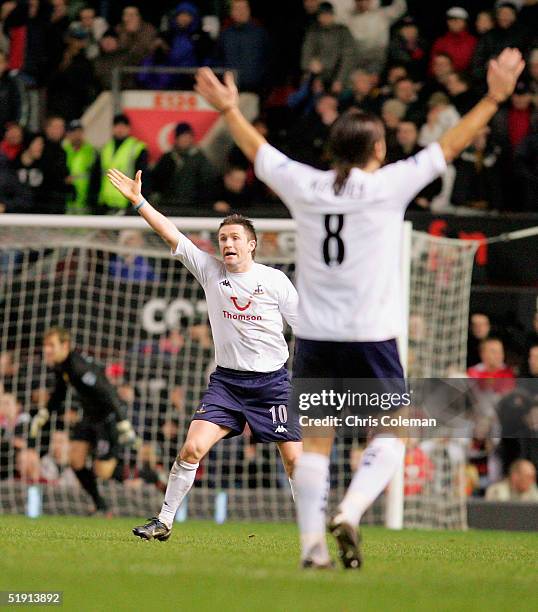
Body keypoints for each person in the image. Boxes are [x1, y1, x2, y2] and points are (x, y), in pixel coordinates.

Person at [193, 47, 525, 568]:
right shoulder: (387, 186)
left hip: (318, 338)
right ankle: (349, 510)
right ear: (375, 147)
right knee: (394, 430)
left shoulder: (307, 186)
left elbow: (259, 152)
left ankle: (311, 549)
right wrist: (493, 97)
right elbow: (448, 148)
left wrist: (229, 110)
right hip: (372, 334)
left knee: (317, 444)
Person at [105, 171, 302, 542]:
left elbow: (305, 328)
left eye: (234, 238)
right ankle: (163, 521)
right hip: (228, 383)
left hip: (273, 384)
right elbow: (171, 234)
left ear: (252, 245)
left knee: (294, 461)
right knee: (192, 447)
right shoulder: (210, 271)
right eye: (222, 238)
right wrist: (139, 202)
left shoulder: (275, 281)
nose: (227, 243)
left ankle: (313, 528)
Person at [30, 327, 138, 514]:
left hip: (108, 418)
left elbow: (107, 391)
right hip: (89, 417)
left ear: (65, 345)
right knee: (75, 460)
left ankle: (149, 475)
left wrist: (122, 422)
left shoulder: (79, 368)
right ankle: (101, 506)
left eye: (51, 345)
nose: (47, 350)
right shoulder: (61, 365)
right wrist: (44, 413)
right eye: (45, 345)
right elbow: (59, 393)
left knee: (102, 472)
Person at [150, 121, 215, 213]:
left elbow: (208, 182)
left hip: (193, 206)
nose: (185, 140)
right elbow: (156, 181)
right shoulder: (167, 158)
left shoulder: (200, 159)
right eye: (182, 136)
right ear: (176, 138)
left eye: (188, 137)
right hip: (168, 205)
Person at [90, 114, 148, 213]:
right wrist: (93, 200)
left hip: (128, 203)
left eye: (123, 126)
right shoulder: (105, 148)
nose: (120, 129)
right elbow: (96, 176)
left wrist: (138, 203)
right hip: (105, 203)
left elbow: (144, 178)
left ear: (128, 128)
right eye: (117, 126)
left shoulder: (137, 148)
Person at [62, 120, 96, 214]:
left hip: (85, 199)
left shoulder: (90, 150)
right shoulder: (63, 149)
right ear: (68, 134)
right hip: (67, 198)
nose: (77, 135)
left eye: (79, 131)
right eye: (74, 132)